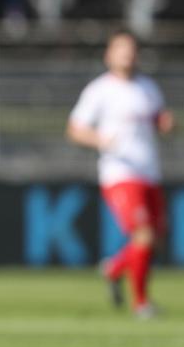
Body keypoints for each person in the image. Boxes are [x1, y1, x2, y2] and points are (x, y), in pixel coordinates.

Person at [67, 30, 174, 319]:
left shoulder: (148, 88)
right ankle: (142, 304)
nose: (128, 54)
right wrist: (100, 139)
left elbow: (157, 119)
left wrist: (164, 123)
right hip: (120, 172)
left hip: (149, 170)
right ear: (109, 54)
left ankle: (114, 269)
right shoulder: (100, 90)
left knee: (155, 240)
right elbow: (75, 129)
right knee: (143, 235)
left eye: (132, 49)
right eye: (121, 48)